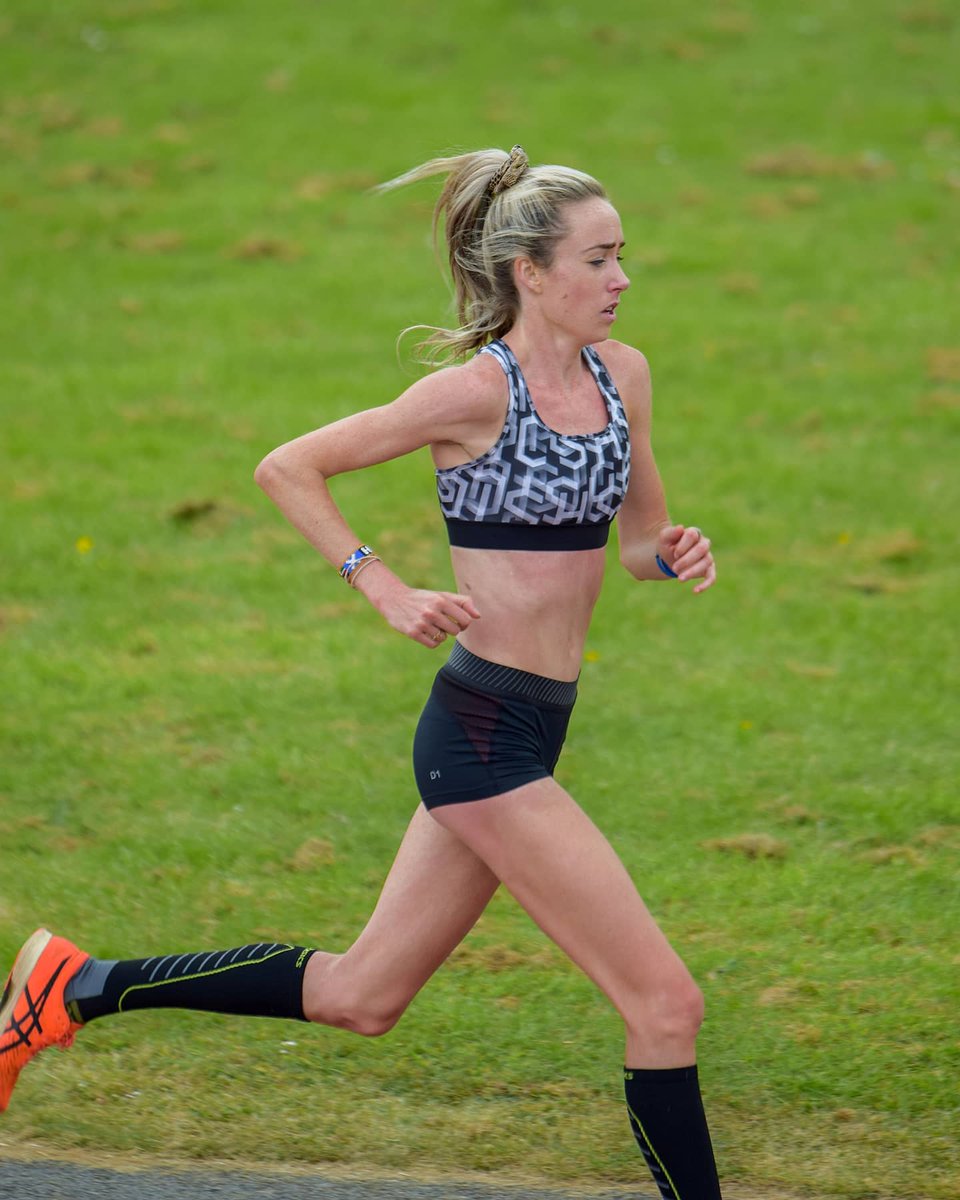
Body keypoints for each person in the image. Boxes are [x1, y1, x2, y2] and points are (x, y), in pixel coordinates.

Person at [1, 145, 721, 1199]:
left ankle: (78, 984)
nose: (621, 279)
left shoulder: (625, 378)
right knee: (666, 1007)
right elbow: (289, 465)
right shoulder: (473, 394)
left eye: (623, 257)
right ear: (532, 273)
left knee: (364, 994)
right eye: (600, 259)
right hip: (481, 737)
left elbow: (640, 541)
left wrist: (676, 553)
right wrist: (380, 584)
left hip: (532, 726)